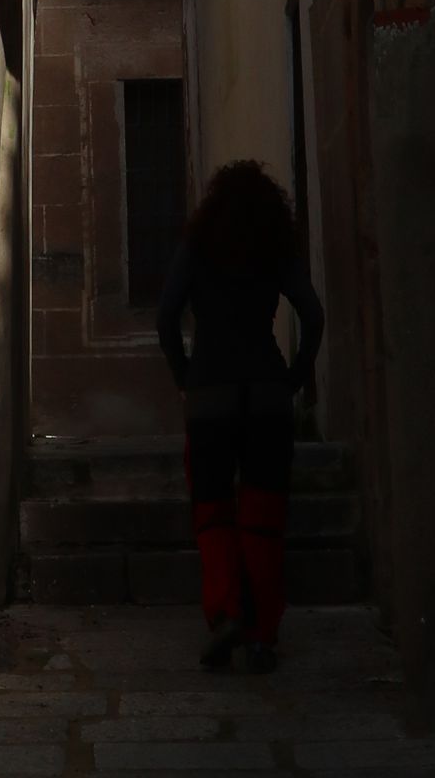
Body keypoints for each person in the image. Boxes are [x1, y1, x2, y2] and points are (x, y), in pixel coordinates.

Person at [157, 159, 323, 673]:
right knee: (264, 514)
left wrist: (185, 374)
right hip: (268, 393)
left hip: (210, 393)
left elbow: (166, 316)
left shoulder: (199, 244)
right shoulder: (276, 246)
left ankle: (227, 609)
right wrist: (295, 376)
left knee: (212, 511)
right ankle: (262, 632)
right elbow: (312, 314)